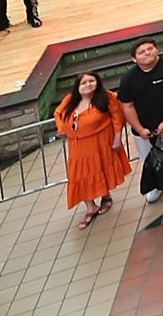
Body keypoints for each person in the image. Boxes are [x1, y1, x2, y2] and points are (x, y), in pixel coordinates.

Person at [52, 71, 131, 229]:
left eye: (91, 81)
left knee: (100, 169)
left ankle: (105, 196)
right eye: (84, 83)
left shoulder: (107, 98)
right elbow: (58, 113)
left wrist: (117, 139)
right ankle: (90, 207)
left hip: (100, 142)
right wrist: (62, 128)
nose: (88, 85)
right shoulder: (70, 100)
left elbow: (118, 117)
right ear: (78, 87)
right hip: (77, 147)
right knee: (79, 175)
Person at [117, 38, 163, 203]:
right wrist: (140, 129)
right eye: (142, 52)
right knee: (149, 156)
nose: (147, 53)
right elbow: (127, 106)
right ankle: (158, 183)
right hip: (143, 126)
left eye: (150, 48)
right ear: (134, 59)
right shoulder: (128, 79)